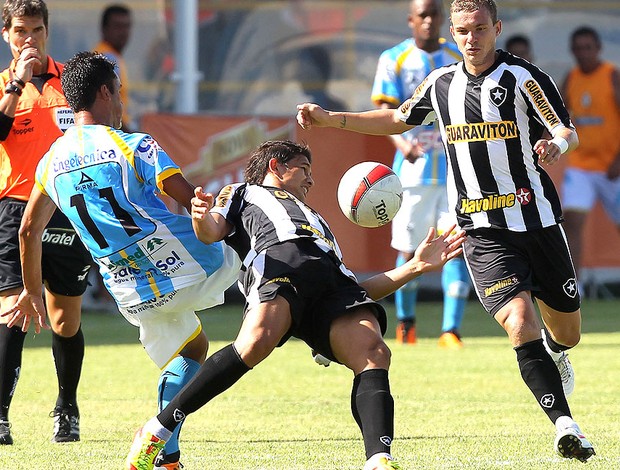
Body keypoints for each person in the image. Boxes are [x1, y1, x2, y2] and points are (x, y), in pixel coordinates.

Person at [296, 0, 596, 462]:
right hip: (481, 229)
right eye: (462, 31)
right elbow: (398, 118)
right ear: (452, 34)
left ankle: (557, 350)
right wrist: (331, 119)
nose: (471, 38)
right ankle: (565, 425)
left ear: (496, 27)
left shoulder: (523, 78)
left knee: (568, 333)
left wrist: (553, 145)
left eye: (479, 28)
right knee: (519, 322)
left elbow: (565, 131)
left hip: (537, 222)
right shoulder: (441, 85)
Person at [124, 139, 466, 470]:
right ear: (276, 166)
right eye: (304, 169)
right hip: (278, 262)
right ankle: (157, 430)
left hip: (330, 281)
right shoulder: (243, 192)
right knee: (257, 342)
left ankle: (378, 460)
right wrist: (199, 215)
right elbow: (211, 231)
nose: (311, 179)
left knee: (374, 351)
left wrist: (415, 267)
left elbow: (353, 289)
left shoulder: (318, 220)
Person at [1, 51, 240, 470]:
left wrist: (32, 291)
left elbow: (27, 231)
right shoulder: (134, 144)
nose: (123, 104)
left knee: (192, 350)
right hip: (193, 264)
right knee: (258, 226)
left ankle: (165, 452)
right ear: (105, 93)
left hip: (130, 292)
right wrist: (216, 203)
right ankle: (312, 316)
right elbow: (191, 200)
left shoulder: (51, 160)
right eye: (121, 93)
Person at [0, 0, 92, 445]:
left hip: (67, 207)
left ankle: (66, 407)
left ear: (47, 32)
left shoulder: (69, 85)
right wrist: (16, 83)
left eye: (36, 30)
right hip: (14, 207)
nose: (29, 39)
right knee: (12, 311)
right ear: (6, 35)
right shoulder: (2, 85)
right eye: (20, 31)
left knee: (64, 319)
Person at [371, 0, 470, 348]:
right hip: (412, 177)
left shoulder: (458, 57)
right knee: (411, 251)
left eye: (434, 15)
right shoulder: (394, 58)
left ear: (442, 19)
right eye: (422, 16)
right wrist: (404, 146)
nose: (429, 22)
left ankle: (450, 330)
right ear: (411, 20)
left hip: (455, 177)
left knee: (456, 247)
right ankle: (407, 324)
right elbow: (385, 112)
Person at [560, 26, 620, 294]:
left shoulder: (612, 76)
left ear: (598, 49)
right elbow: (558, 117)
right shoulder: (571, 79)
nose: (583, 53)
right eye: (578, 48)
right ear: (572, 51)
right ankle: (577, 286)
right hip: (582, 165)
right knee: (571, 221)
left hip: (612, 167)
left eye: (588, 47)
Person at [93, 3, 133, 131]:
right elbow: (107, 104)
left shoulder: (113, 56)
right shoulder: (107, 58)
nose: (123, 32)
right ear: (104, 29)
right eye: (117, 26)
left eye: (127, 26)